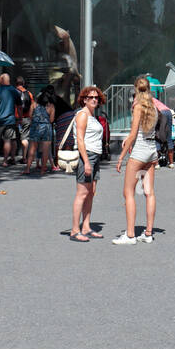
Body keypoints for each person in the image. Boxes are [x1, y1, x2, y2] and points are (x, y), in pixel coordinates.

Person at [113, 76, 160, 244]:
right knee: (149, 192)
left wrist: (121, 157)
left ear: (135, 89)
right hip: (151, 151)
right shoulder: (154, 107)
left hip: (139, 152)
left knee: (128, 193)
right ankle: (148, 233)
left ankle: (130, 234)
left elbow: (134, 135)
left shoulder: (138, 106)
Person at [70, 85, 105, 241]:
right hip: (87, 156)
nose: (94, 100)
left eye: (96, 97)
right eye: (90, 97)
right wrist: (86, 162)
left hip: (95, 156)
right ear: (84, 99)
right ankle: (74, 230)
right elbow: (80, 140)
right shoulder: (82, 115)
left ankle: (86, 227)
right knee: (82, 193)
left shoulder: (92, 116)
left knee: (90, 193)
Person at [23, 86, 57, 175]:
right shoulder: (51, 106)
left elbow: (30, 115)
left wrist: (35, 120)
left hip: (35, 126)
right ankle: (43, 169)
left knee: (32, 149)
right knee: (45, 150)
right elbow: (52, 120)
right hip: (46, 128)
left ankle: (27, 168)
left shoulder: (34, 104)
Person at [13, 75, 34, 164]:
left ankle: (12, 158)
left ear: (15, 83)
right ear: (23, 83)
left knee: (12, 138)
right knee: (25, 138)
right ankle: (24, 157)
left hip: (15, 118)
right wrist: (30, 117)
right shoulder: (29, 94)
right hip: (26, 118)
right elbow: (32, 106)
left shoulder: (13, 93)